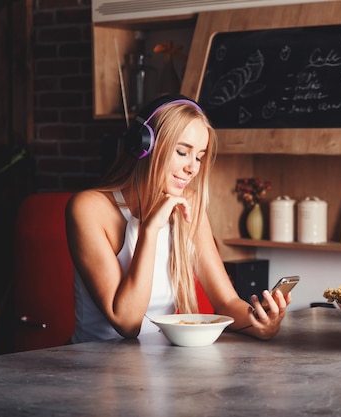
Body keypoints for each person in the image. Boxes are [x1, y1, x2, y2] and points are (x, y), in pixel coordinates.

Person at [65, 94, 290, 343]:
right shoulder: (88, 208)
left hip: (158, 364)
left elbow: (226, 302)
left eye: (199, 156)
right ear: (145, 146)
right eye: (183, 152)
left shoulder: (189, 203)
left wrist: (259, 322)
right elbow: (127, 323)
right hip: (94, 369)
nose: (193, 168)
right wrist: (150, 229)